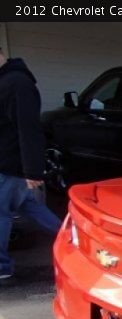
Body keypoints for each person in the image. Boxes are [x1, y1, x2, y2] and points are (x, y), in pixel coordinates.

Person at [0, 46, 62, 283]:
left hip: (10, 164)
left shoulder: (16, 84)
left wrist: (32, 169)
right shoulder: (8, 81)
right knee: (30, 207)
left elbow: (28, 129)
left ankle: (2, 266)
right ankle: (73, 237)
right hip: (12, 164)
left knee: (1, 214)